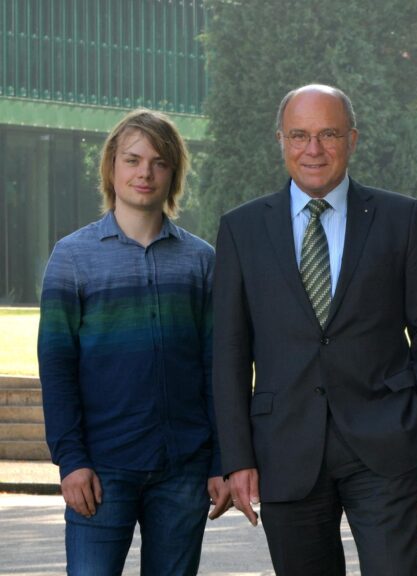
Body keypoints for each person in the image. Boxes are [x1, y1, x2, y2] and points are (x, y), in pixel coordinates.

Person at [212, 84, 417, 575]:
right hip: (284, 447)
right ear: (281, 140)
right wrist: (236, 457)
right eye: (299, 135)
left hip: (387, 442)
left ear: (352, 140)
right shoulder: (241, 229)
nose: (313, 149)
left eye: (328, 134)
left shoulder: (400, 218)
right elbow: (229, 352)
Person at [37, 109, 229, 574]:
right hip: (100, 470)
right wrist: (71, 461)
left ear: (173, 174)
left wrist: (222, 460)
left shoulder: (201, 262)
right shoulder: (72, 258)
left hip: (184, 468)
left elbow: (217, 367)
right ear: (111, 167)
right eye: (133, 159)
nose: (145, 172)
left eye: (159, 162)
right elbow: (57, 368)